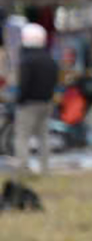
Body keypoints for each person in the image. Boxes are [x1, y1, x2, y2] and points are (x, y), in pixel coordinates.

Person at [13, 23, 57, 172]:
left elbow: (24, 84)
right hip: (46, 102)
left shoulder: (27, 60)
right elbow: (54, 80)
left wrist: (19, 99)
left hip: (28, 104)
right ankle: (45, 168)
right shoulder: (49, 58)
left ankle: (23, 168)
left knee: (22, 137)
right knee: (43, 137)